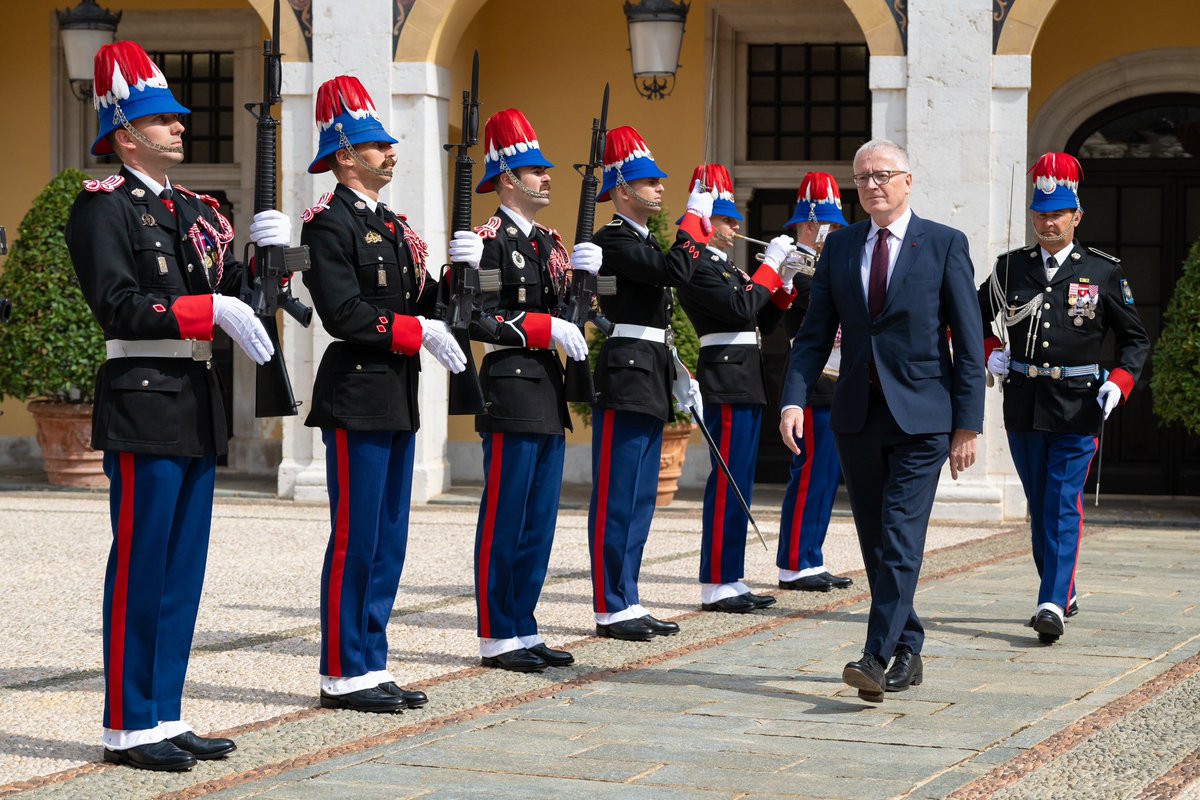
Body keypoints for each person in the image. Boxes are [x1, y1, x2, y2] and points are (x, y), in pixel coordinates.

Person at [66, 41, 288, 770]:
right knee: (141, 565)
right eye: (164, 121)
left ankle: (165, 712)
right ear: (126, 134)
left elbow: (237, 300)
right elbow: (121, 306)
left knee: (183, 568)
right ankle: (128, 724)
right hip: (143, 399)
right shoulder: (103, 210)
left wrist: (269, 266)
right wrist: (208, 308)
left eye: (178, 120)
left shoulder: (196, 209)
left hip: (194, 398)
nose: (181, 129)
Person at [778, 139, 985, 702]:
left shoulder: (943, 243)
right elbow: (815, 333)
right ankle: (909, 644)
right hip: (856, 415)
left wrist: (968, 424)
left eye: (885, 175)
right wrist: (793, 399)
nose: (873, 184)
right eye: (864, 177)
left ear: (908, 180)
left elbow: (968, 343)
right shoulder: (842, 247)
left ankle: (875, 654)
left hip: (923, 417)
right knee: (875, 539)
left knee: (899, 532)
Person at [300, 76, 466, 714]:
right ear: (346, 155)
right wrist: (413, 330)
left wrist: (456, 275)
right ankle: (342, 669)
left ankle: (370, 662)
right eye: (377, 145)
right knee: (356, 536)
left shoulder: (394, 227)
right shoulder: (327, 225)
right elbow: (342, 313)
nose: (390, 152)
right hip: (356, 394)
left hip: (397, 394)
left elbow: (425, 302)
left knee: (390, 535)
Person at [449, 109, 600, 672]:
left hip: (548, 387)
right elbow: (476, 317)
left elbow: (570, 314)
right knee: (506, 513)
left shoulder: (550, 243)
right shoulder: (485, 241)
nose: (547, 177)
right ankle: (496, 633)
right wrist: (540, 327)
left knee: (539, 517)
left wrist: (584, 287)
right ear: (507, 178)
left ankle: (523, 626)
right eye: (535, 169)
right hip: (509, 383)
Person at [979, 152, 1148, 644]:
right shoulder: (1010, 268)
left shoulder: (1103, 271)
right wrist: (991, 349)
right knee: (1039, 503)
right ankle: (1064, 585)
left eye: (1058, 214)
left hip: (1079, 403)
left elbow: (1135, 339)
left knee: (1062, 503)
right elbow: (971, 314)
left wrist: (1120, 380)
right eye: (1040, 214)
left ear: (1077, 216)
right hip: (1025, 401)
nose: (1048, 223)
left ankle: (1050, 600)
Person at [588, 125, 715, 642]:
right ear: (622, 191)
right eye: (648, 181)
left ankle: (628, 597)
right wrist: (694, 221)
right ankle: (609, 604)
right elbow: (673, 272)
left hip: (649, 369)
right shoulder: (612, 240)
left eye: (660, 181)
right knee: (617, 493)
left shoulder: (641, 240)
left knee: (641, 495)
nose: (660, 188)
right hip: (626, 372)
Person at [676, 164, 796, 613]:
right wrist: (767, 268)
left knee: (740, 482)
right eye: (727, 219)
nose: (735, 226)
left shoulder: (725, 266)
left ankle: (731, 577)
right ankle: (716, 581)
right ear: (707, 221)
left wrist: (781, 284)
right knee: (727, 482)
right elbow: (739, 306)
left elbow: (761, 317)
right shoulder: (698, 266)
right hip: (725, 379)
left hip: (745, 377)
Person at [776, 173, 855, 593]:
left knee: (827, 474)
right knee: (809, 472)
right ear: (810, 223)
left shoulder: (825, 264)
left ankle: (812, 556)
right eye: (829, 223)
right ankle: (794, 561)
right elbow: (821, 300)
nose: (836, 230)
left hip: (839, 378)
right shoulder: (797, 265)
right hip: (814, 379)